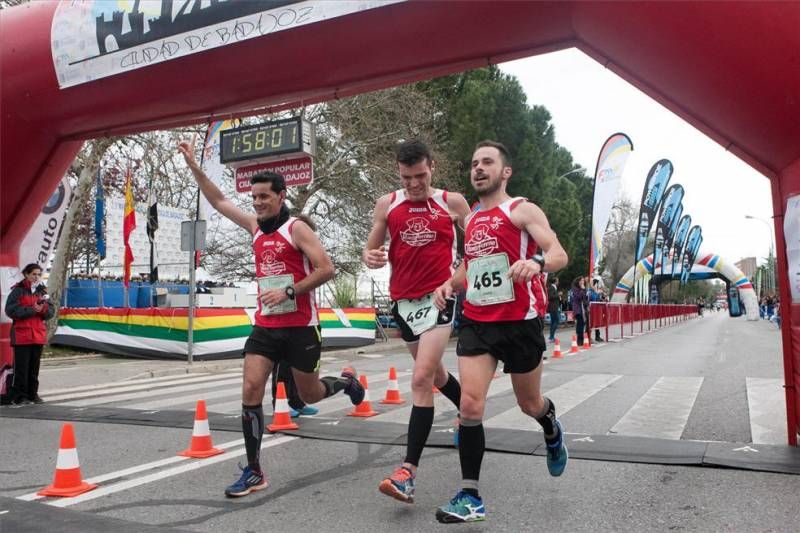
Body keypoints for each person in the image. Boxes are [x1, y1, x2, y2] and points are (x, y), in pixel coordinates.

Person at [178, 138, 364, 498]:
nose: (259, 202)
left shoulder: (297, 229)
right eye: (255, 197)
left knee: (309, 392)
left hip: (301, 327)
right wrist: (192, 165)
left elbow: (327, 269)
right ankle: (254, 470)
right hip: (266, 326)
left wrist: (290, 291)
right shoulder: (254, 227)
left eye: (265, 196)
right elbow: (218, 200)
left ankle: (346, 384)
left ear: (281, 196)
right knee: (250, 388)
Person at [432, 140, 569, 523]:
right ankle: (470, 495)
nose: (478, 168)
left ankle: (550, 425)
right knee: (471, 405)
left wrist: (536, 262)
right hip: (477, 321)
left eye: (487, 162)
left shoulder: (521, 209)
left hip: (519, 323)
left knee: (529, 404)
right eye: (474, 163)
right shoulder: (472, 219)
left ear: (504, 171)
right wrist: (449, 285)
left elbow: (559, 254)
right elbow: (470, 267)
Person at [364, 139, 471, 504]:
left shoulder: (452, 202)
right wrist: (372, 258)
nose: (414, 184)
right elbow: (370, 249)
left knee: (421, 378)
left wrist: (456, 275)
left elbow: (479, 248)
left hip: (439, 298)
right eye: (407, 177)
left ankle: (407, 472)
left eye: (420, 176)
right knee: (437, 376)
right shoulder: (387, 204)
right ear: (399, 172)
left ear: (432, 168)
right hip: (402, 303)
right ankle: (467, 411)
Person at [4, 263, 54, 405]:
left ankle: (33, 394)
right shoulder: (18, 291)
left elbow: (51, 312)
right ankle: (20, 396)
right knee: (22, 368)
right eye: (33, 274)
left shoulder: (42, 291)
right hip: (22, 336)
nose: (36, 277)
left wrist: (43, 309)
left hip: (37, 335)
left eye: (39, 274)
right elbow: (11, 311)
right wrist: (33, 309)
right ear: (26, 274)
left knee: (34, 368)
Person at [571, 276, 588, 346]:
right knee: (580, 324)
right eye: (581, 280)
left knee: (582, 324)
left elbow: (585, 298)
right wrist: (582, 289)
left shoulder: (584, 289)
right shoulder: (575, 288)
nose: (582, 282)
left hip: (583, 308)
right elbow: (578, 297)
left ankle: (581, 338)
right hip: (578, 309)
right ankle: (579, 339)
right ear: (578, 281)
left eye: (583, 281)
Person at [546, 276, 561, 343]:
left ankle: (551, 337)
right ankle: (551, 337)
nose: (558, 282)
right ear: (555, 281)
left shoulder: (554, 288)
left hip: (555, 307)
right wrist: (558, 294)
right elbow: (550, 297)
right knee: (556, 321)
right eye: (557, 281)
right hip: (553, 308)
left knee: (553, 322)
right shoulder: (551, 288)